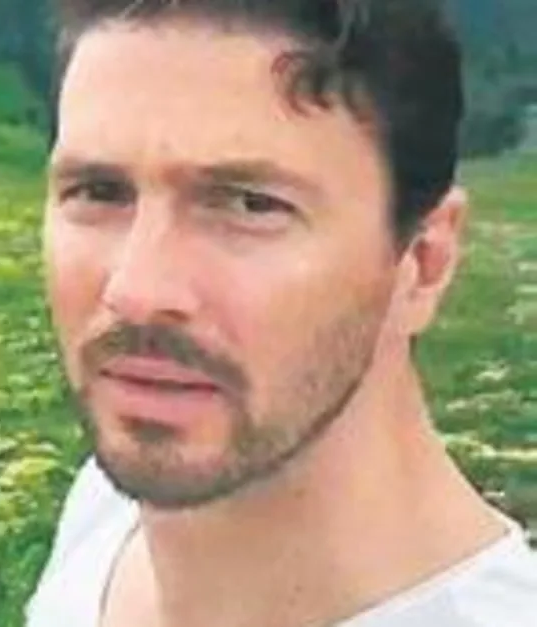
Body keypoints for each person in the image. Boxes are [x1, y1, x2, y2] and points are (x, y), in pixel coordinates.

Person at [26, 0, 537, 625]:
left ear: (423, 262)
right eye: (98, 192)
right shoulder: (110, 510)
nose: (135, 291)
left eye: (250, 204)